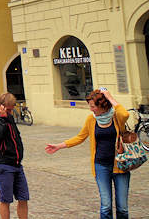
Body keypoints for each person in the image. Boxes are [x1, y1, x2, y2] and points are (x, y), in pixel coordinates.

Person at [45, 88, 131, 219]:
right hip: (101, 166)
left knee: (123, 208)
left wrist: (110, 97)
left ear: (102, 105)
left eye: (93, 106)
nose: (91, 109)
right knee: (106, 206)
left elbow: (125, 114)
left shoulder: (116, 117)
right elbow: (80, 137)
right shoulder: (91, 120)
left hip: (120, 165)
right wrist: (59, 146)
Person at [0, 92, 29, 219]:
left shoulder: (9, 116)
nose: (10, 112)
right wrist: (3, 119)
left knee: (23, 198)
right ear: (1, 106)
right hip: (3, 164)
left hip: (17, 163)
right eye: (8, 109)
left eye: (11, 109)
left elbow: (15, 136)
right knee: (6, 200)